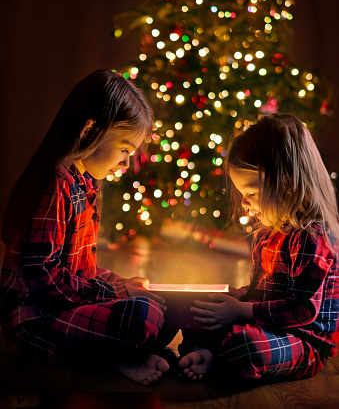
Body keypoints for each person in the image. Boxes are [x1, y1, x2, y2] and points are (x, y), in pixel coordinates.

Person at [0, 69, 170, 386]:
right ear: (90, 130)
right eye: (124, 149)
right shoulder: (57, 184)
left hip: (64, 308)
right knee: (142, 318)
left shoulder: (85, 185)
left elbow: (80, 272)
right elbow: (45, 276)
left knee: (160, 307)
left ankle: (118, 351)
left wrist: (122, 283)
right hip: (36, 323)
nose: (126, 163)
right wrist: (118, 292)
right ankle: (111, 358)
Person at [178, 113, 339, 382]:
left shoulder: (312, 238)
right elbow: (259, 295)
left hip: (302, 340)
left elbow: (303, 310)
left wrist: (241, 311)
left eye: (251, 193)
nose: (244, 203)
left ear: (286, 184)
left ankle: (213, 356)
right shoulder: (267, 234)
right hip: (264, 323)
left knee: (247, 347)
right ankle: (204, 351)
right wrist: (230, 298)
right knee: (199, 312)